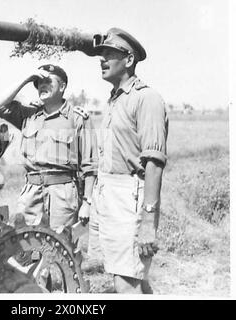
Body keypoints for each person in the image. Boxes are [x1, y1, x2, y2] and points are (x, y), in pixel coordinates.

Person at [88, 28, 169, 294]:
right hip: (109, 195)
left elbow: (154, 164)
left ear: (129, 60)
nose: (102, 59)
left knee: (126, 283)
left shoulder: (146, 99)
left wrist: (148, 222)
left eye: (110, 54)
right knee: (133, 278)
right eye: (101, 54)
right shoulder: (114, 100)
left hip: (130, 198)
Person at [0, 64, 98, 233]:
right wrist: (26, 78)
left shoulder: (77, 118)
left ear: (62, 87)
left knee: (62, 246)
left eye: (48, 81)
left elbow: (90, 165)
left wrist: (87, 202)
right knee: (24, 245)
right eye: (38, 82)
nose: (42, 85)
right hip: (31, 191)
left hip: (63, 193)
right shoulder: (28, 114)